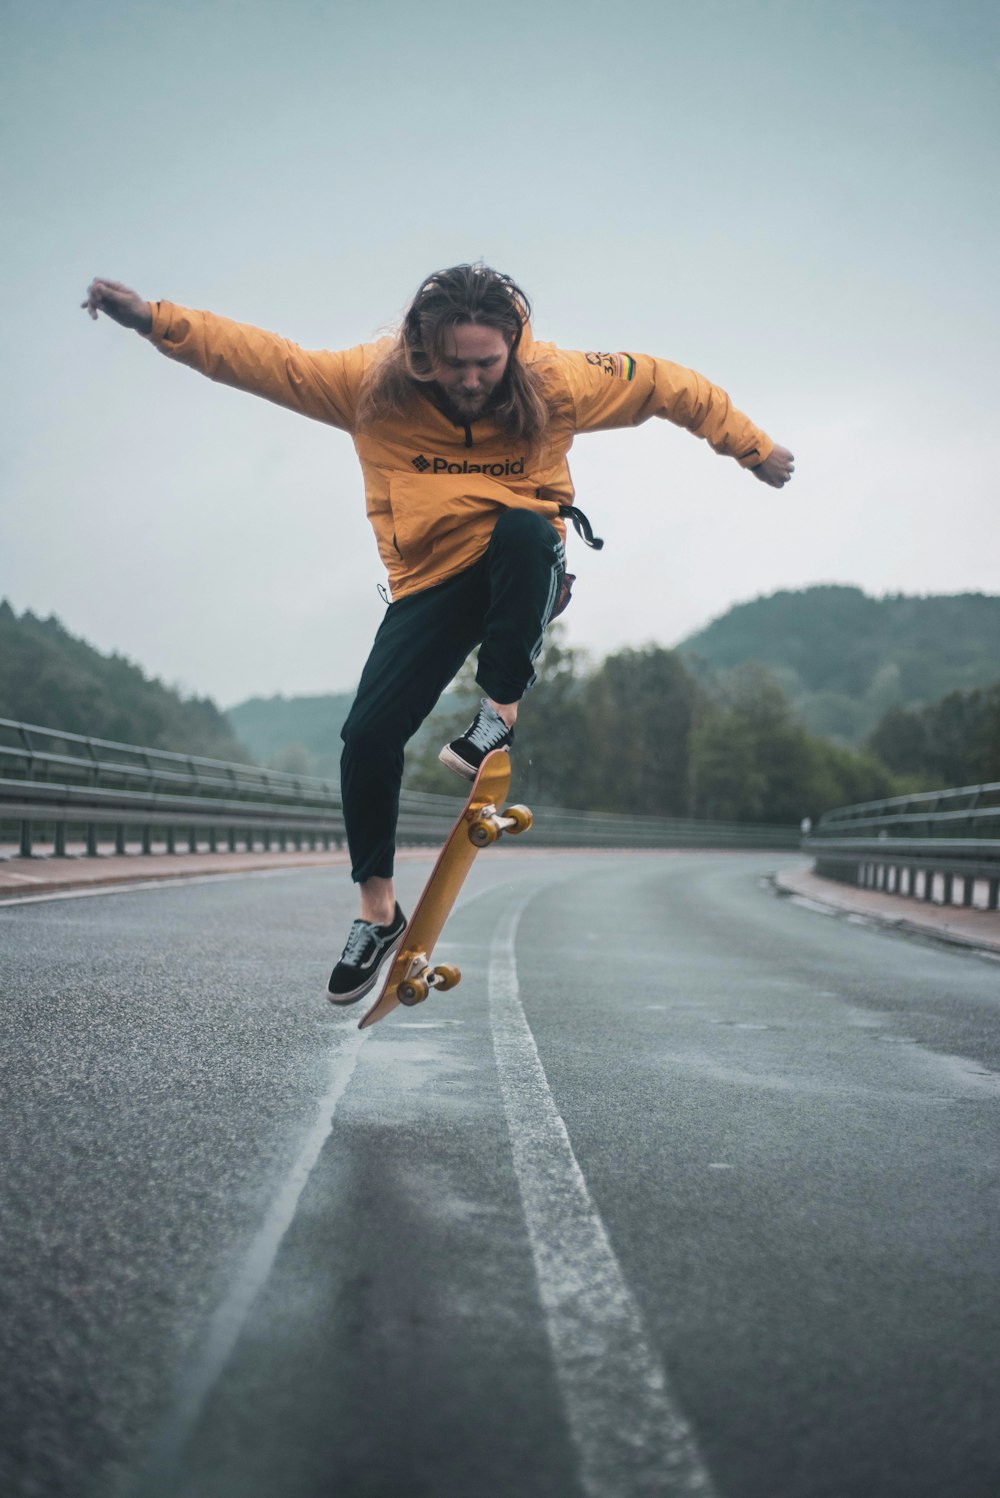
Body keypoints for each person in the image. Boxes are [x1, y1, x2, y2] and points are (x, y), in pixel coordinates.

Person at [82, 265, 794, 1003]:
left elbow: (667, 385)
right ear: (422, 350)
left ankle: (498, 715)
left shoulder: (557, 381)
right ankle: (376, 911)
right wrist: (151, 320)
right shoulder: (369, 383)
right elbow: (264, 359)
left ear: (514, 346)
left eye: (488, 363)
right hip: (430, 580)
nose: (473, 379)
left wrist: (750, 446)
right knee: (367, 737)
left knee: (521, 531)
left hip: (525, 564)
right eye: (454, 364)